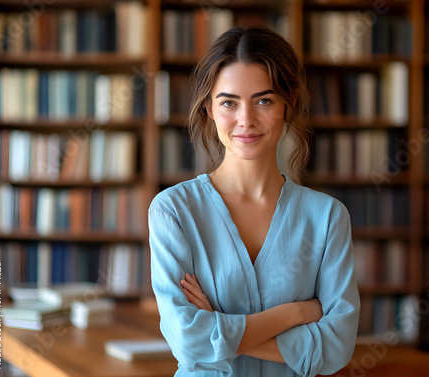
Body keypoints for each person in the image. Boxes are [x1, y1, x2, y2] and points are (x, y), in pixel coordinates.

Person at [148, 26, 360, 377]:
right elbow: (187, 342)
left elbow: (336, 348)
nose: (246, 119)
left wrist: (216, 325)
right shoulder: (173, 211)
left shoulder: (327, 217)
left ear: (286, 105)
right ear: (209, 110)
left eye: (264, 100)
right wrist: (296, 313)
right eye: (229, 102)